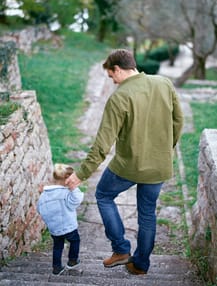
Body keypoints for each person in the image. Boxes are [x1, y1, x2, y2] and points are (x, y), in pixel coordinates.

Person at [65, 49, 184, 275]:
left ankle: (120, 249)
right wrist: (166, 149)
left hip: (129, 167)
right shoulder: (164, 83)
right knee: (147, 215)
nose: (112, 81)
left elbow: (102, 144)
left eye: (111, 76)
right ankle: (140, 265)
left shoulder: (119, 97)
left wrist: (81, 174)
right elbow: (179, 120)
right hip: (159, 166)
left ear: (118, 69)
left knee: (103, 195)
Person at [37, 163, 84, 275]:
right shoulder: (66, 193)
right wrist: (74, 188)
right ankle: (72, 261)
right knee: (75, 241)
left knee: (57, 247)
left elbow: (40, 209)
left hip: (55, 229)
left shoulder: (44, 195)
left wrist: (50, 220)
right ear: (66, 179)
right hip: (69, 227)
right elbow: (77, 200)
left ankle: (56, 268)